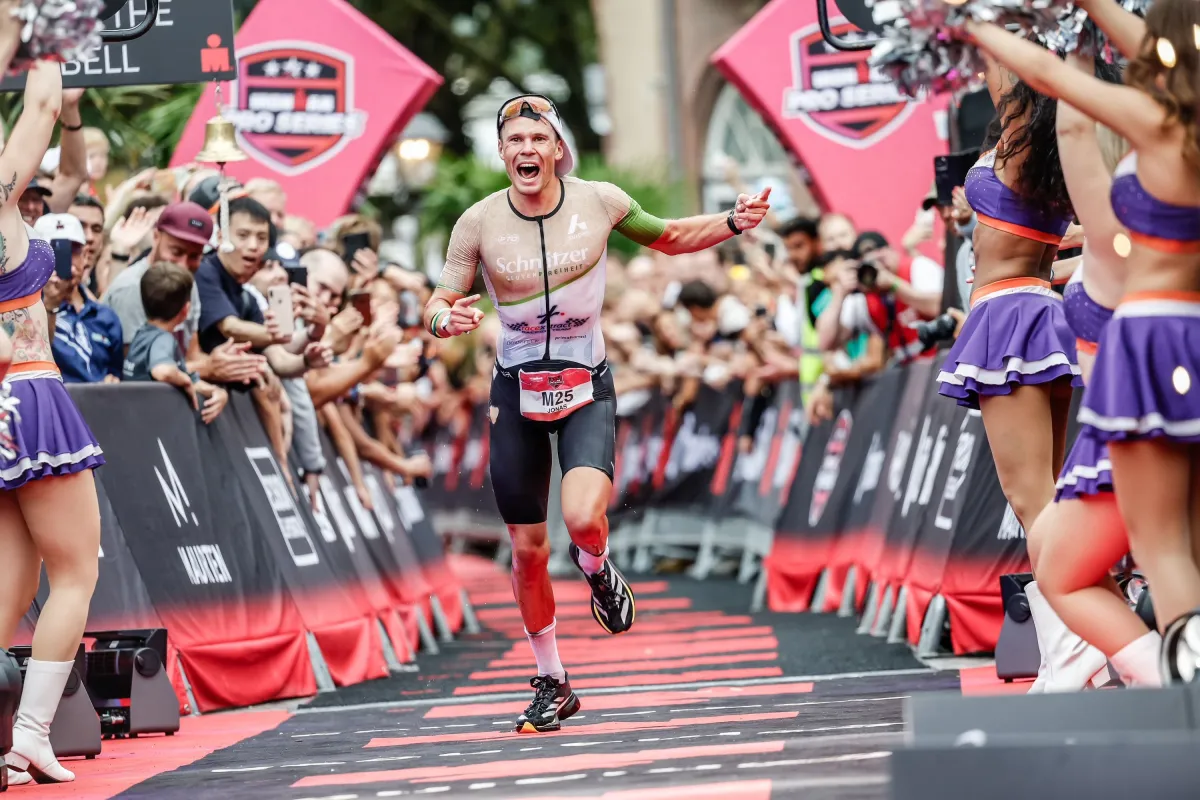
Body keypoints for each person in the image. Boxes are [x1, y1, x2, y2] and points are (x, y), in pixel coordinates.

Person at [424, 94, 771, 732]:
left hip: (587, 384)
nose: (526, 151)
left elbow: (668, 237)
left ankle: (596, 565)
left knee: (584, 519)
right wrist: (448, 318)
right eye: (513, 143)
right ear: (502, 154)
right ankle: (552, 679)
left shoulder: (601, 201)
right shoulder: (476, 222)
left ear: (557, 148)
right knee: (527, 549)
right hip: (516, 392)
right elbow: (439, 300)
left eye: (538, 139)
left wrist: (733, 221)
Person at [965, 0, 1200, 684]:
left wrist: (961, 21)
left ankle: (1181, 695)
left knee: (1165, 550)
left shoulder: (1162, 124)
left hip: (1154, 338)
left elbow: (1058, 88)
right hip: (1183, 334)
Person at [933, 47, 1084, 691]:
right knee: (1047, 496)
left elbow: (1002, 69)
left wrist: (973, 16)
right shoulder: (1055, 154)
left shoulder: (1027, 141)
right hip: (1036, 309)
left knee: (1034, 503)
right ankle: (1074, 645)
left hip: (1010, 316)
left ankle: (1074, 649)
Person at [0, 60, 105, 787]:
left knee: (13, 585)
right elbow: (38, 97)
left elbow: (57, 153)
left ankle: (24, 738)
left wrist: (63, 109)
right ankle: (30, 735)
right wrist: (48, 29)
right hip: (28, 397)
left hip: (8, 399)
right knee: (76, 571)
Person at [122, 263, 228, 424]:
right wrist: (184, 380)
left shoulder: (142, 335)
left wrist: (215, 391)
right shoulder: (163, 340)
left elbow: (189, 377)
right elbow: (163, 371)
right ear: (186, 310)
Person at [37, 213, 122, 384]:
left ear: (85, 255)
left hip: (99, 406)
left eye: (73, 250)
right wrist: (50, 304)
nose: (64, 259)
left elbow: (116, 372)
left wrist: (113, 382)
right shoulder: (22, 311)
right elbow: (35, 355)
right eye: (53, 249)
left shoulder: (105, 316)